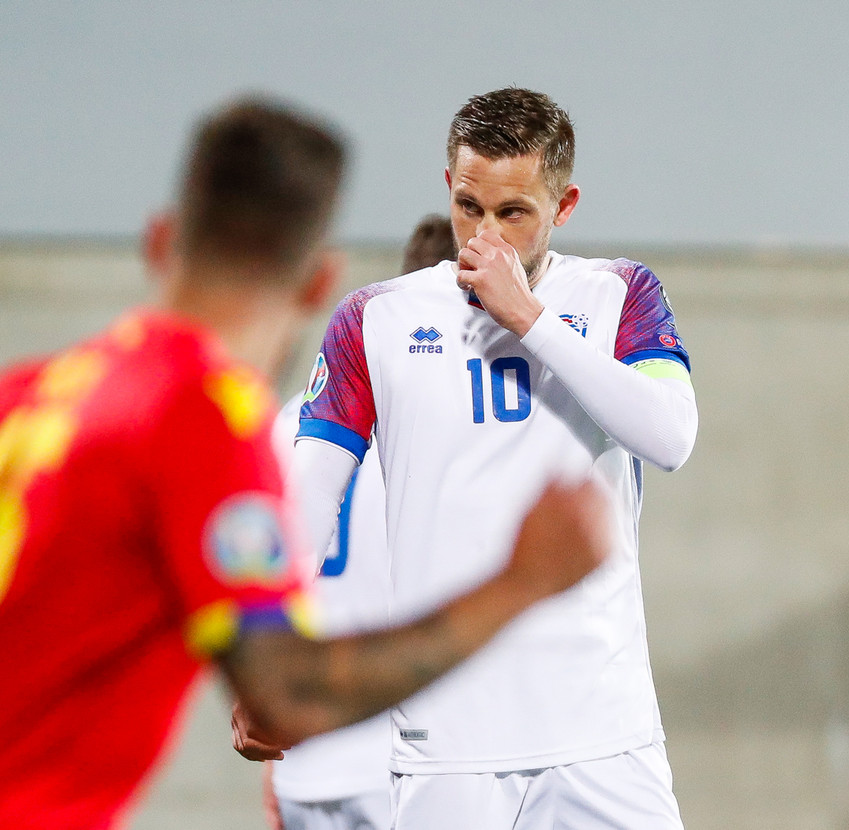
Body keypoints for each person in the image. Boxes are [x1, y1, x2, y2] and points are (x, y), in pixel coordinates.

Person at [0, 97, 610, 830]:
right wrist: (523, 581)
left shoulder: (31, 393)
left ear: (159, 239)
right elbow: (290, 695)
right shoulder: (201, 415)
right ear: (322, 282)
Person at [241, 87, 699, 828]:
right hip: (447, 743)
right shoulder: (375, 319)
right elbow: (307, 505)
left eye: (513, 213)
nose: (485, 235)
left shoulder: (619, 294)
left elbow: (671, 436)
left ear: (564, 204)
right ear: (449, 189)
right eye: (468, 207)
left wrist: (532, 320)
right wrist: (263, 665)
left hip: (602, 733)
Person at [264, 215, 456, 830]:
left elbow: (264, 581)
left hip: (303, 756)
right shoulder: (452, 422)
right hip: (400, 759)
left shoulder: (288, 420)